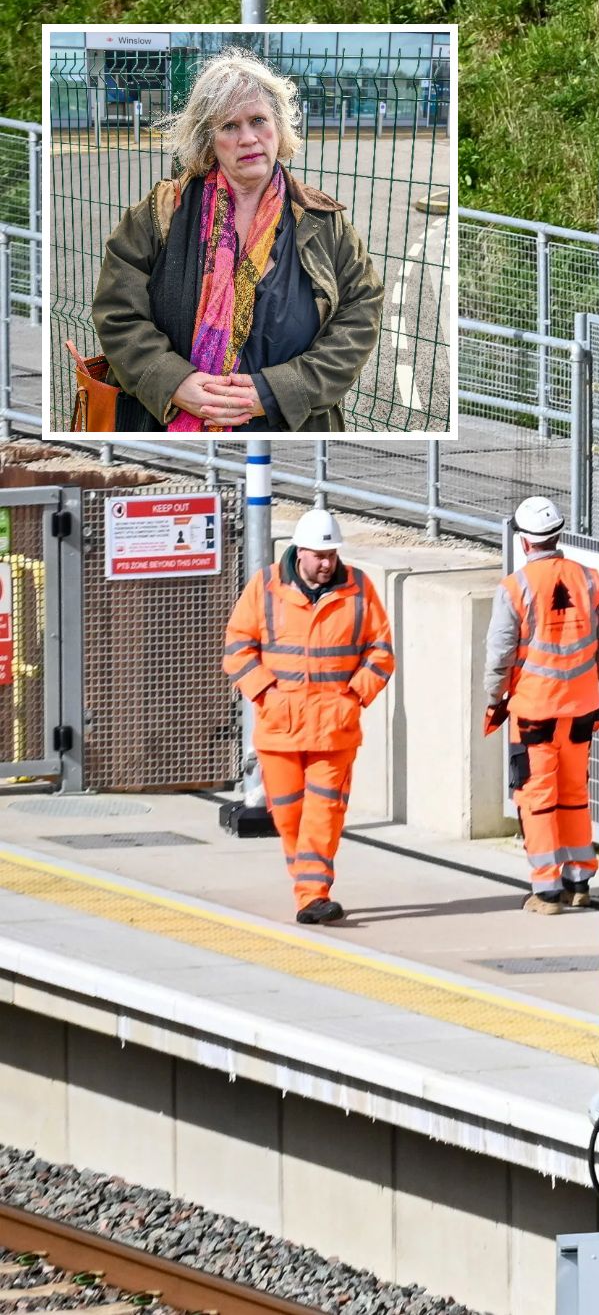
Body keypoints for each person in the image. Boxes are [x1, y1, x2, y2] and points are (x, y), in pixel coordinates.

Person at [91, 48, 384, 432]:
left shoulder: (322, 222)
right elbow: (118, 312)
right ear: (207, 140)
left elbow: (361, 312)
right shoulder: (158, 214)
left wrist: (279, 391)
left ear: (279, 129)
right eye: (229, 126)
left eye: (259, 120)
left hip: (290, 434)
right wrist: (173, 382)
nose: (248, 138)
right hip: (170, 431)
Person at [221, 509, 395, 924]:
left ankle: (313, 894)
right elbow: (237, 648)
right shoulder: (264, 588)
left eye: (331, 555)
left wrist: (352, 697)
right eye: (319, 555)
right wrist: (267, 693)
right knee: (289, 816)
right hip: (280, 728)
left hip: (334, 728)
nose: (326, 563)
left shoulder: (359, 589)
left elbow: (382, 651)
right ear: (299, 552)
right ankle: (307, 887)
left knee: (324, 813)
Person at [484, 497, 599, 913]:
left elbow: (500, 654)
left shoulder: (515, 588)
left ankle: (546, 890)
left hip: (535, 711)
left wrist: (493, 697)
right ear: (558, 535)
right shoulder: (589, 580)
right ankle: (580, 881)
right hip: (582, 707)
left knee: (536, 796)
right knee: (574, 793)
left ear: (523, 542)